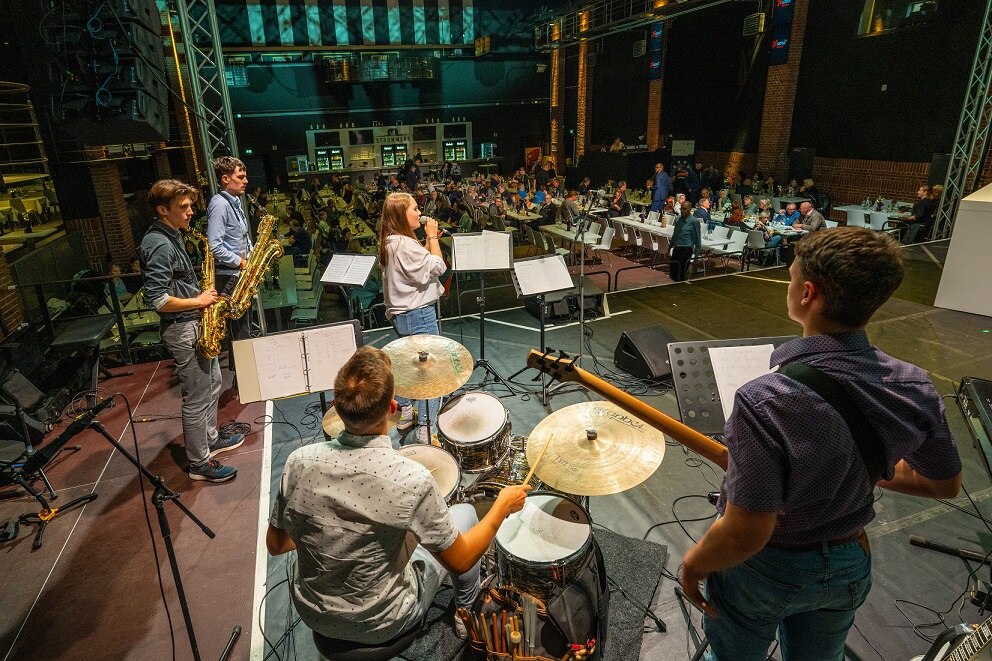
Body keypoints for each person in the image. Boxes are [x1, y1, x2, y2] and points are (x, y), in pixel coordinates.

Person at [679, 228, 961, 661]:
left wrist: (695, 563)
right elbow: (943, 483)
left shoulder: (763, 400)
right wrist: (858, 468)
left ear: (807, 293)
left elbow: (748, 533)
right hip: (850, 561)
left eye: (791, 278)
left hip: (767, 569)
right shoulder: (913, 385)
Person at [267, 347, 531, 643]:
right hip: (383, 621)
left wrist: (330, 532)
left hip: (313, 613)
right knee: (467, 514)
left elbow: (276, 544)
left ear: (337, 407)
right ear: (393, 408)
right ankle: (466, 613)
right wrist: (502, 507)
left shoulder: (297, 462)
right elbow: (462, 560)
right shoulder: (411, 480)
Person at [139, 180, 244, 482]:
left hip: (192, 322)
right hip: (181, 328)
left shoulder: (171, 236)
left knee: (212, 382)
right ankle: (199, 462)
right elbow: (157, 299)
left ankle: (210, 440)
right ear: (162, 210)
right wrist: (198, 300)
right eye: (182, 207)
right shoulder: (159, 243)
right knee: (197, 395)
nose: (190, 212)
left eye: (190, 205)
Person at [378, 192, 447, 444]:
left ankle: (406, 414)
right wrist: (431, 236)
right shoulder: (406, 244)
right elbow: (438, 267)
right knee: (431, 375)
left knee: (407, 369)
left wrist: (429, 245)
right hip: (420, 315)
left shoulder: (391, 242)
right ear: (401, 214)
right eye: (415, 209)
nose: (420, 213)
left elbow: (416, 270)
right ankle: (428, 431)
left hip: (402, 316)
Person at [206, 156, 254, 345]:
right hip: (229, 278)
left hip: (238, 276)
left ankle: (241, 374)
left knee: (244, 331)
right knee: (241, 335)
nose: (246, 181)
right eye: (241, 177)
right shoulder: (220, 204)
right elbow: (214, 246)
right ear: (226, 179)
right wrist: (242, 262)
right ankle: (243, 374)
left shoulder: (234, 202)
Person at [670, 202, 701, 282]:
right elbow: (675, 234)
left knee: (680, 272)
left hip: (686, 249)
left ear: (690, 209)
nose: (682, 211)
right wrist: (670, 246)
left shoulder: (694, 222)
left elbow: (697, 239)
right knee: (672, 271)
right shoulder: (678, 219)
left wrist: (696, 257)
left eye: (684, 209)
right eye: (681, 208)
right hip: (677, 248)